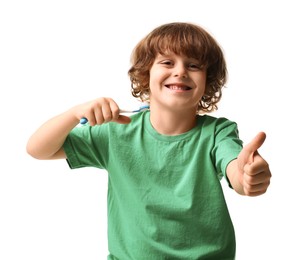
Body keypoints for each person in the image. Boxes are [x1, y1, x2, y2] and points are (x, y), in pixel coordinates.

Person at [26, 22, 271, 259]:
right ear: (146, 73)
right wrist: (73, 113)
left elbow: (236, 171)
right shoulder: (116, 131)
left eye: (194, 65)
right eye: (167, 62)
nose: (180, 71)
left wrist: (246, 175)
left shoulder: (218, 133)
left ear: (208, 81)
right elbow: (38, 149)